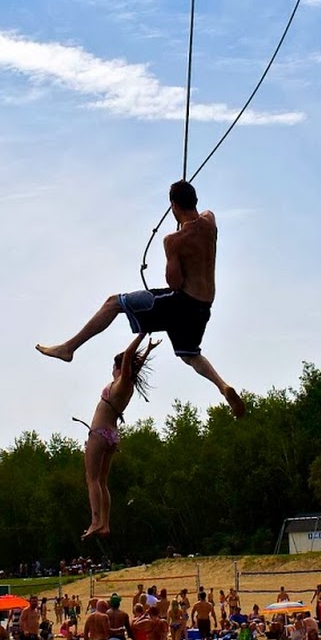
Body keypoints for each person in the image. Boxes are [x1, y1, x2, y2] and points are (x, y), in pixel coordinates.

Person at [36, 180, 246, 418]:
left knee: (114, 303)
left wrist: (174, 245)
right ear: (195, 200)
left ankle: (68, 348)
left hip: (181, 302)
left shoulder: (173, 241)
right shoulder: (210, 222)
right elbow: (199, 220)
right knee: (190, 354)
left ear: (174, 206)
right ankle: (222, 386)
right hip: (204, 306)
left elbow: (174, 284)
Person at [77, 333, 159, 539]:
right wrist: (148, 351)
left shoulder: (122, 382)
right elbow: (133, 363)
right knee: (102, 481)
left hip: (100, 433)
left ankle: (96, 521)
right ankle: (104, 524)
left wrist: (141, 333)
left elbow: (129, 355)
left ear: (118, 367)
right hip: (112, 436)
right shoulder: (127, 385)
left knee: (92, 479)